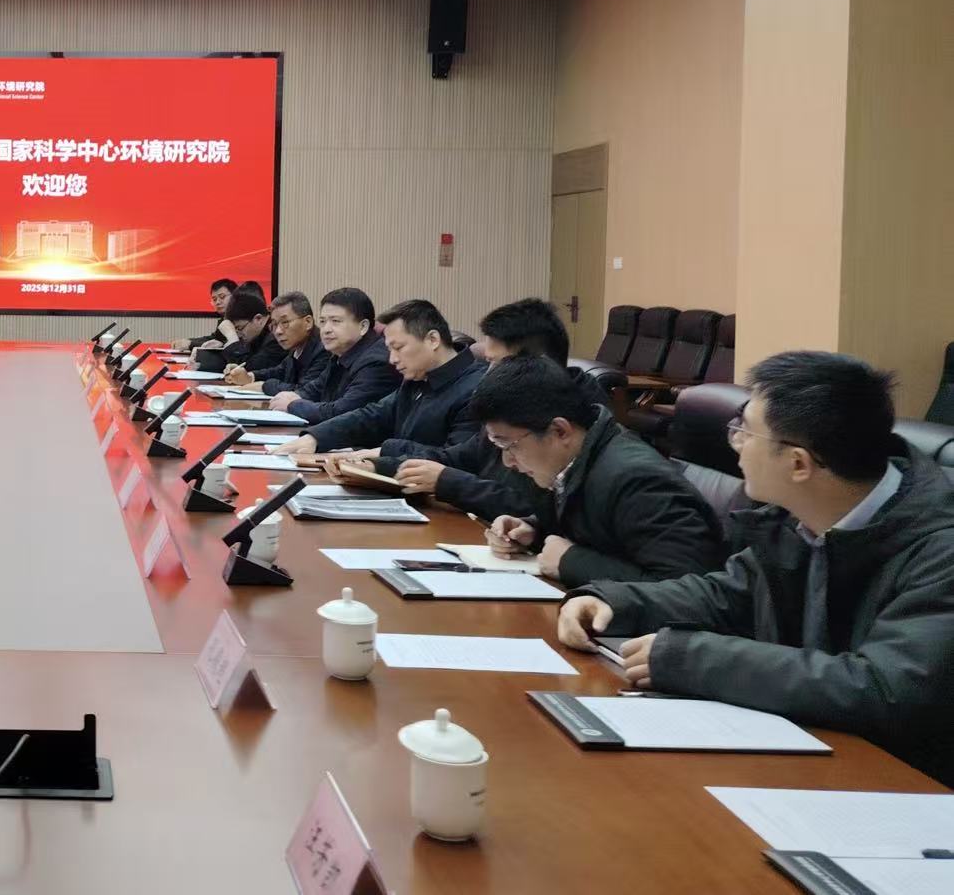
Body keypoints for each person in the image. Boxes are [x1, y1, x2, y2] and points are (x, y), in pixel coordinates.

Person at [558, 351, 954, 786]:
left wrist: (694, 658)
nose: (735, 444)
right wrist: (613, 600)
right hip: (812, 751)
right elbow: (729, 594)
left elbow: (883, 689)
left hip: (902, 784)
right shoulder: (801, 515)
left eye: (744, 432)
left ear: (798, 464)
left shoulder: (941, 550)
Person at [468, 356, 723, 583]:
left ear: (560, 431)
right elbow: (600, 532)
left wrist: (571, 562)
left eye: (509, 445)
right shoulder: (574, 460)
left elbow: (689, 588)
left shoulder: (638, 480)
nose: (507, 462)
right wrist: (533, 531)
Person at [393, 297, 604, 514]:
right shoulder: (511, 402)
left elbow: (540, 508)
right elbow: (458, 457)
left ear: (533, 362)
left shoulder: (577, 418)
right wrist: (383, 465)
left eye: (497, 363)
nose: (487, 375)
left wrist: (449, 483)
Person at [282, 299, 485, 470]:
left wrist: (382, 456)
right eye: (389, 350)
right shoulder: (418, 377)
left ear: (433, 339)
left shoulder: (475, 389)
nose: (392, 359)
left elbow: (455, 460)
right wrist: (316, 438)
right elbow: (373, 416)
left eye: (399, 348)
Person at [273, 288, 398, 423]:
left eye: (335, 321)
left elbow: (342, 413)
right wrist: (293, 396)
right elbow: (315, 389)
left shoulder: (376, 362)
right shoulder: (341, 353)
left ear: (363, 326)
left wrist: (293, 405)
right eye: (323, 321)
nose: (326, 330)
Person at [223, 291, 326, 395]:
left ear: (308, 322)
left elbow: (305, 391)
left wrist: (264, 386)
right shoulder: (297, 347)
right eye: (275, 324)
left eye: (285, 322)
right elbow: (279, 371)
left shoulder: (324, 349)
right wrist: (250, 377)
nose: (278, 331)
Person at [175, 278, 240, 351]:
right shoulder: (224, 318)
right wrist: (188, 341)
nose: (218, 302)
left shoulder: (241, 318)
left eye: (222, 297)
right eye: (214, 299)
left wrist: (191, 344)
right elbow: (215, 339)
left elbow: (224, 345)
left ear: (235, 296)